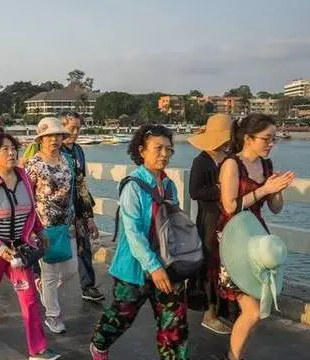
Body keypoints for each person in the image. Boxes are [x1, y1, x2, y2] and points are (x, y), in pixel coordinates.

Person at [90, 125, 189, 360]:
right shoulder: (132, 186)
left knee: (174, 324)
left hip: (167, 263)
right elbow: (133, 233)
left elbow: (172, 224)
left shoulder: (168, 186)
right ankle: (99, 344)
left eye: (169, 149)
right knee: (123, 314)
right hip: (135, 265)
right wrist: (153, 267)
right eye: (158, 148)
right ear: (142, 150)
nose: (164, 154)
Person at [0, 131, 61, 360]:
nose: (11, 153)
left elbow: (31, 208)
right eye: (5, 149)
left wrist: (40, 231)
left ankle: (37, 349)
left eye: (13, 148)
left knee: (29, 298)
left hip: (20, 251)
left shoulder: (23, 178)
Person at [217, 114, 295, 360]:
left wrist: (277, 190)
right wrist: (264, 189)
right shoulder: (232, 164)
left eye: (274, 139)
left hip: (257, 238)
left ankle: (238, 354)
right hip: (233, 239)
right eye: (266, 138)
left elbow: (275, 208)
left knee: (259, 310)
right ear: (248, 138)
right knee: (251, 311)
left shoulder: (266, 165)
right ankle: (233, 356)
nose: (271, 143)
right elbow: (229, 207)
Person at [25, 117, 78, 335]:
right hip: (43, 225)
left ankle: (46, 292)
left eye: (57, 135)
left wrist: (85, 218)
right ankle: (53, 315)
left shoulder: (69, 160)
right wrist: (29, 227)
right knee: (49, 272)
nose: (54, 140)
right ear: (41, 139)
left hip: (66, 224)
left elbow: (78, 188)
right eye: (48, 136)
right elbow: (27, 195)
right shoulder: (33, 164)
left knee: (71, 269)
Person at [186, 114, 234, 334]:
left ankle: (225, 310)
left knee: (226, 266)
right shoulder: (201, 161)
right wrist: (223, 190)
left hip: (228, 220)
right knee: (209, 266)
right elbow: (194, 192)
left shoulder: (229, 157)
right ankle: (209, 313)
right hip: (209, 220)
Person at [60, 112, 104, 302]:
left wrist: (89, 216)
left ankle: (88, 286)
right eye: (72, 128)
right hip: (58, 208)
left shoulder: (78, 151)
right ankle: (40, 279)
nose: (76, 132)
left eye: (78, 128)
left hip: (78, 206)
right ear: (62, 127)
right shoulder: (54, 150)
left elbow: (81, 183)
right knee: (52, 247)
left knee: (84, 245)